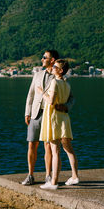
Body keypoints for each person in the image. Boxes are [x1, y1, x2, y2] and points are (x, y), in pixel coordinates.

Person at [21, 50, 75, 185]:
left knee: (48, 145)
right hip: (35, 113)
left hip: (50, 114)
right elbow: (31, 94)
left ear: (52, 60)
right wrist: (27, 112)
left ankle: (48, 175)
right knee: (32, 144)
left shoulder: (59, 77)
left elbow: (72, 98)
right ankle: (30, 175)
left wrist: (66, 107)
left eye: (44, 57)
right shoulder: (37, 75)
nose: (41, 59)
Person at [37, 59, 79, 190]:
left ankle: (53, 182)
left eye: (55, 66)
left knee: (55, 151)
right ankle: (74, 176)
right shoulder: (66, 84)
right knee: (68, 148)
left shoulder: (55, 82)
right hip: (64, 117)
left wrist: (42, 92)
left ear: (60, 70)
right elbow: (71, 99)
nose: (53, 67)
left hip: (54, 117)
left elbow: (51, 101)